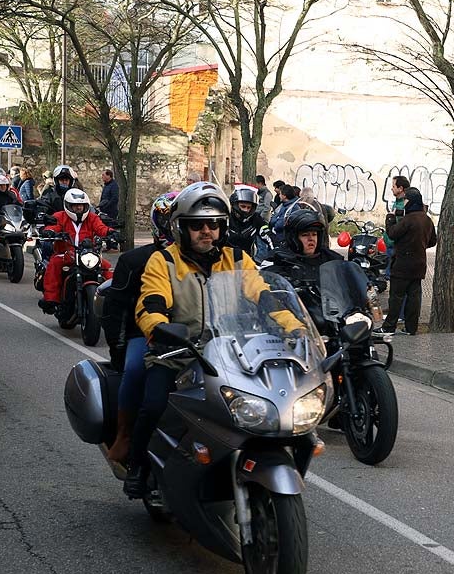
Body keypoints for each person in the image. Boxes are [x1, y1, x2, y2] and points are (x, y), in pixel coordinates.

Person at [125, 182, 305, 497]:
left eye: (214, 224)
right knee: (153, 404)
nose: (206, 231)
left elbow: (263, 295)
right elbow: (151, 302)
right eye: (197, 225)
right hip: (180, 353)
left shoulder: (237, 259)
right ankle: (137, 466)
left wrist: (294, 327)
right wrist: (159, 328)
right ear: (181, 227)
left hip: (232, 353)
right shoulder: (163, 261)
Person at [100, 192, 177, 465]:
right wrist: (117, 347)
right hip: (143, 333)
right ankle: (124, 435)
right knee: (134, 370)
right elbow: (115, 308)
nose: (176, 227)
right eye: (171, 221)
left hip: (193, 335)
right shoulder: (134, 260)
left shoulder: (204, 259)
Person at [37, 188, 116, 314]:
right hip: (66, 253)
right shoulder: (60, 216)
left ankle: (114, 298)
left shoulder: (92, 218)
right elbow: (54, 225)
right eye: (75, 206)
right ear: (68, 206)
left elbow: (101, 228)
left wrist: (111, 233)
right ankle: (51, 299)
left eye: (81, 205)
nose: (79, 208)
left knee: (106, 267)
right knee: (54, 264)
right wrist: (50, 231)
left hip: (88, 254)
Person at [263, 207, 344, 327]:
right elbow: (264, 279)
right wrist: (284, 281)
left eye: (314, 234)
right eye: (305, 235)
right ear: (293, 237)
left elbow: (350, 274)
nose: (311, 239)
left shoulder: (331, 257)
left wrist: (369, 280)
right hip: (294, 319)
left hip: (332, 315)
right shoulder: (278, 258)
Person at [375, 187, 436, 336]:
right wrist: (419, 245)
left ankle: (389, 326)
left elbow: (393, 233)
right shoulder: (427, 220)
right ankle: (411, 327)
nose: (404, 203)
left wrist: (389, 220)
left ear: (411, 202)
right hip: (419, 265)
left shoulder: (409, 219)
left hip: (402, 264)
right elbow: (433, 241)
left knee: (396, 297)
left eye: (406, 200)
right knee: (413, 297)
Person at [226, 186, 269, 257]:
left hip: (247, 261)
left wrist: (277, 249)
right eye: (243, 206)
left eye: (249, 207)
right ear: (235, 205)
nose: (246, 210)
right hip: (225, 261)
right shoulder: (225, 218)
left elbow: (268, 234)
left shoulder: (255, 218)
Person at [384, 176, 409, 279]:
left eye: (393, 186)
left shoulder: (405, 205)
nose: (391, 188)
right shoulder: (397, 202)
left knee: (395, 277)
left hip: (396, 246)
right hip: (391, 244)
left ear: (400, 188)